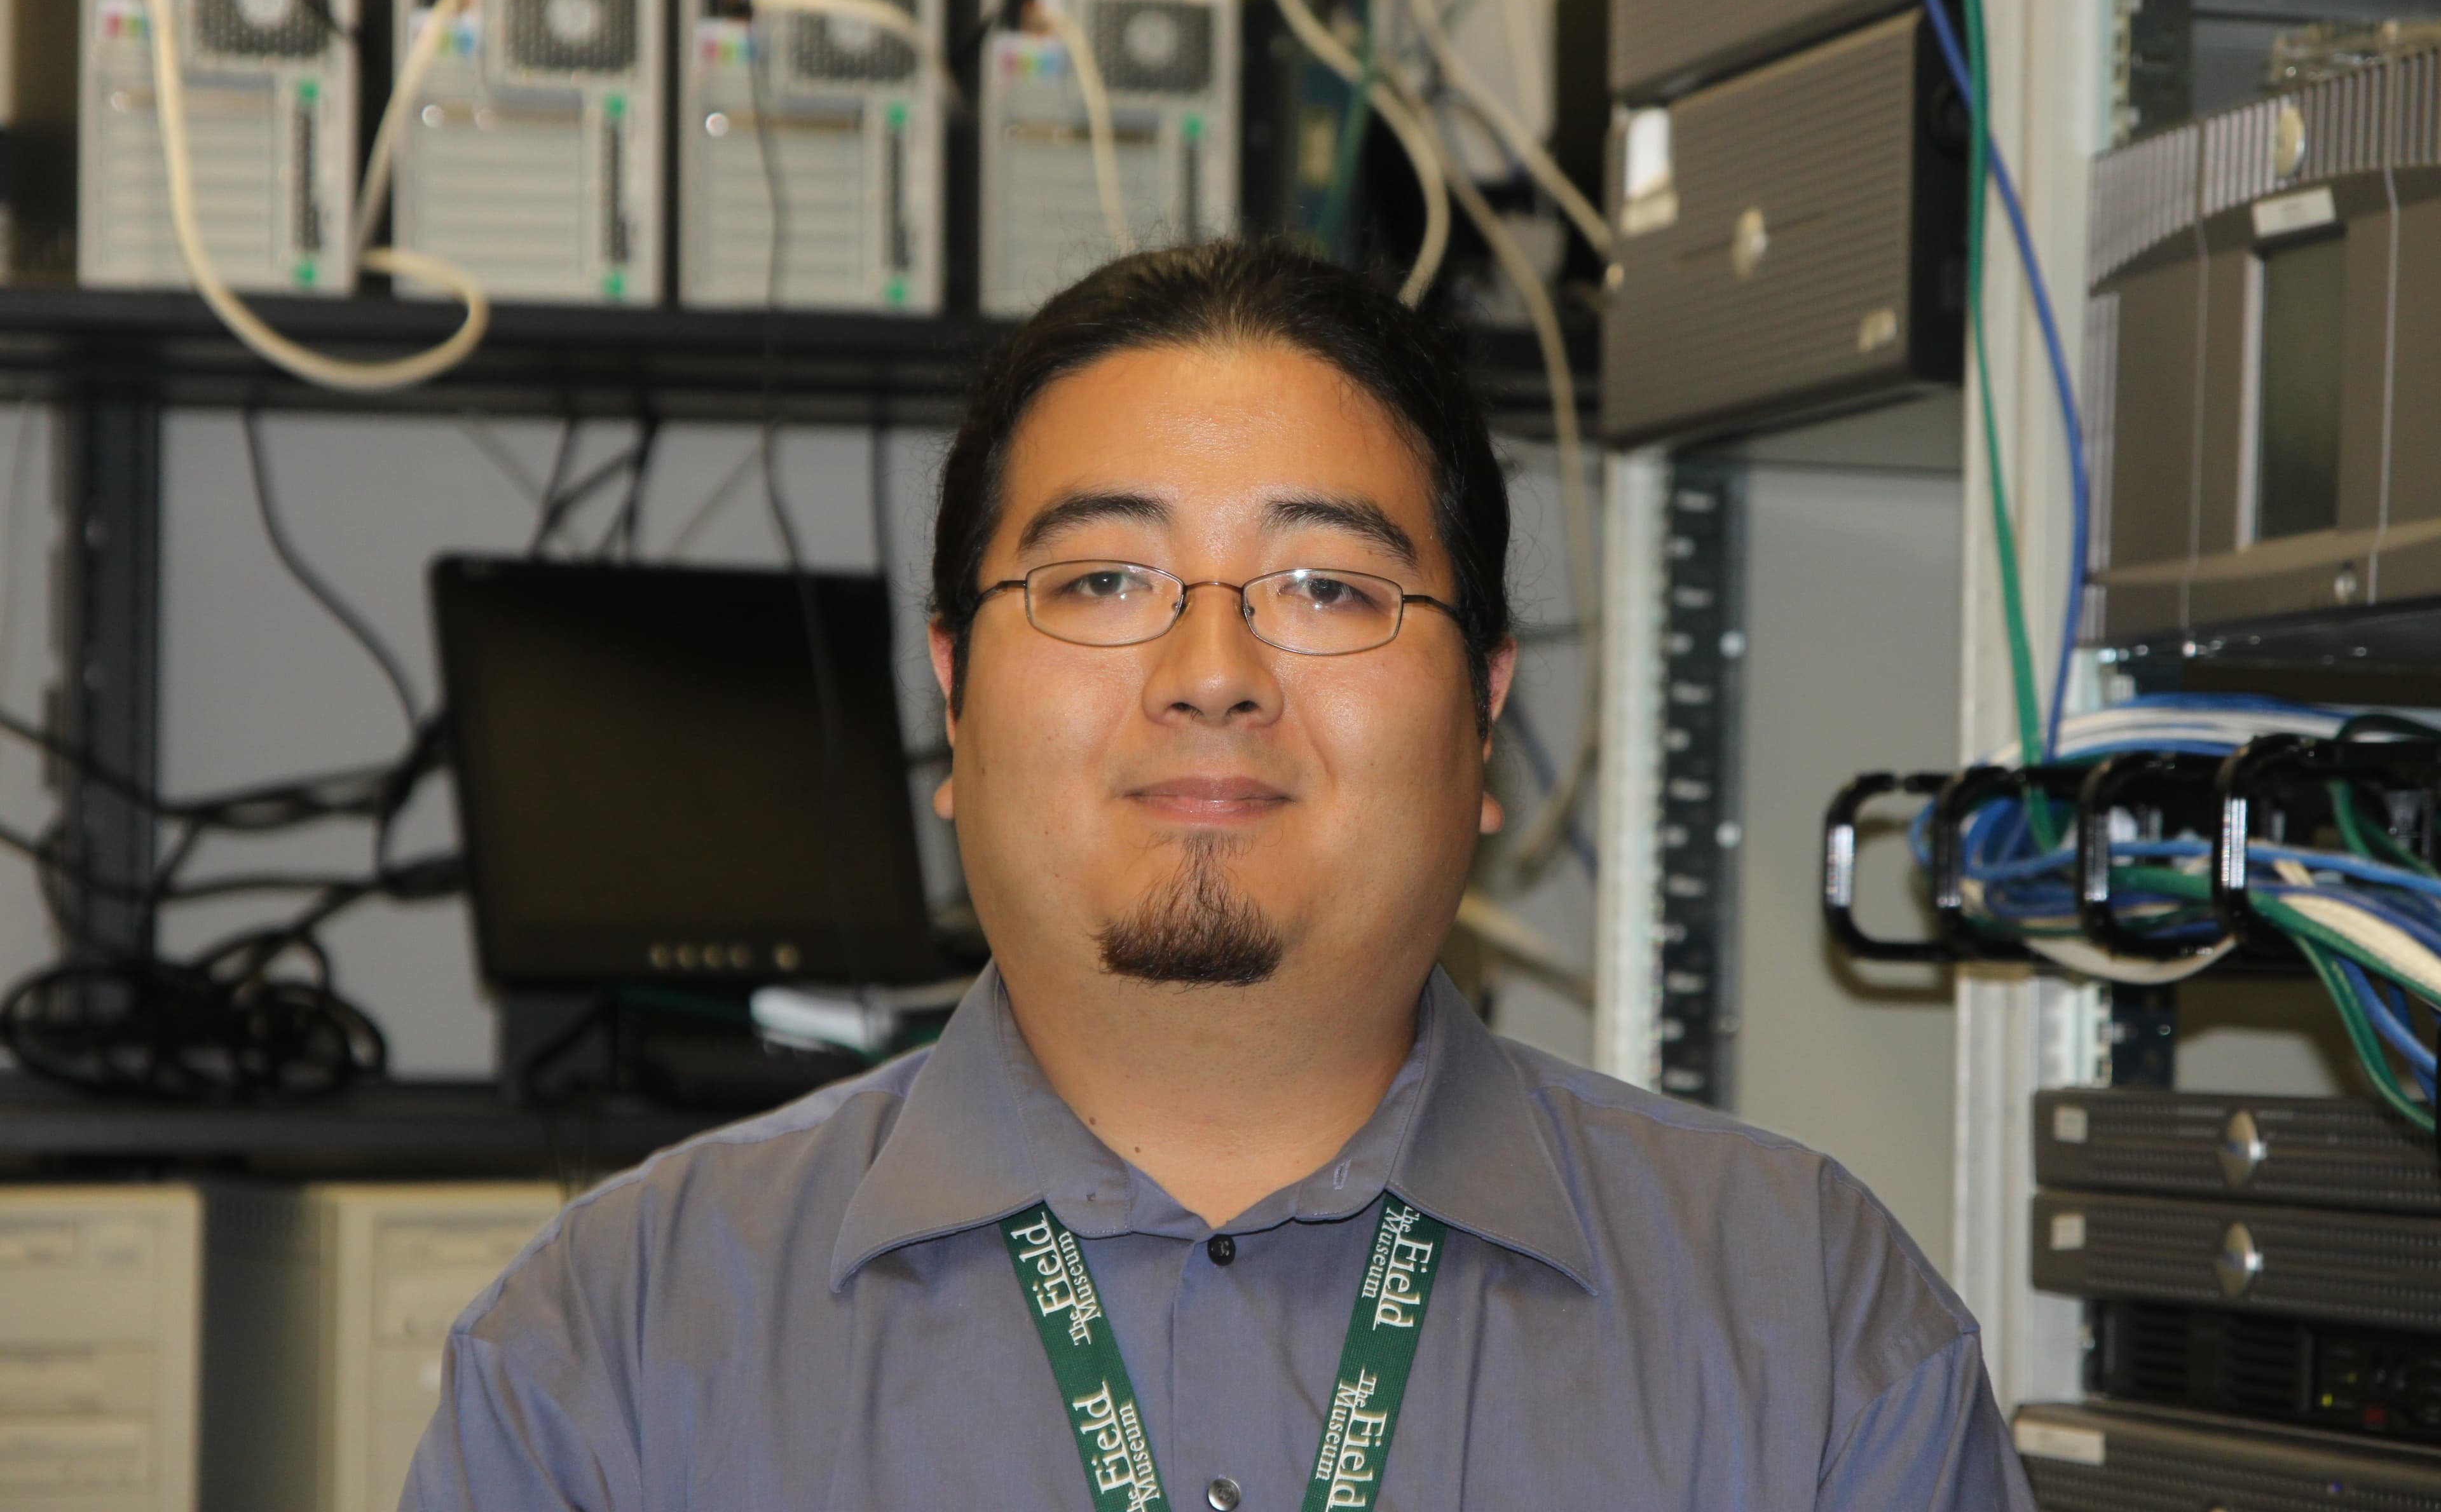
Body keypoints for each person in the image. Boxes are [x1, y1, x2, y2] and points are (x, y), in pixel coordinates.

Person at [403, 238, 2036, 1511]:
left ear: (1483, 721)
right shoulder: (605, 1356)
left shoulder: (1808, 1323)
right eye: (1104, 574)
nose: (1212, 668)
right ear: (952, 697)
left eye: (1327, 587)